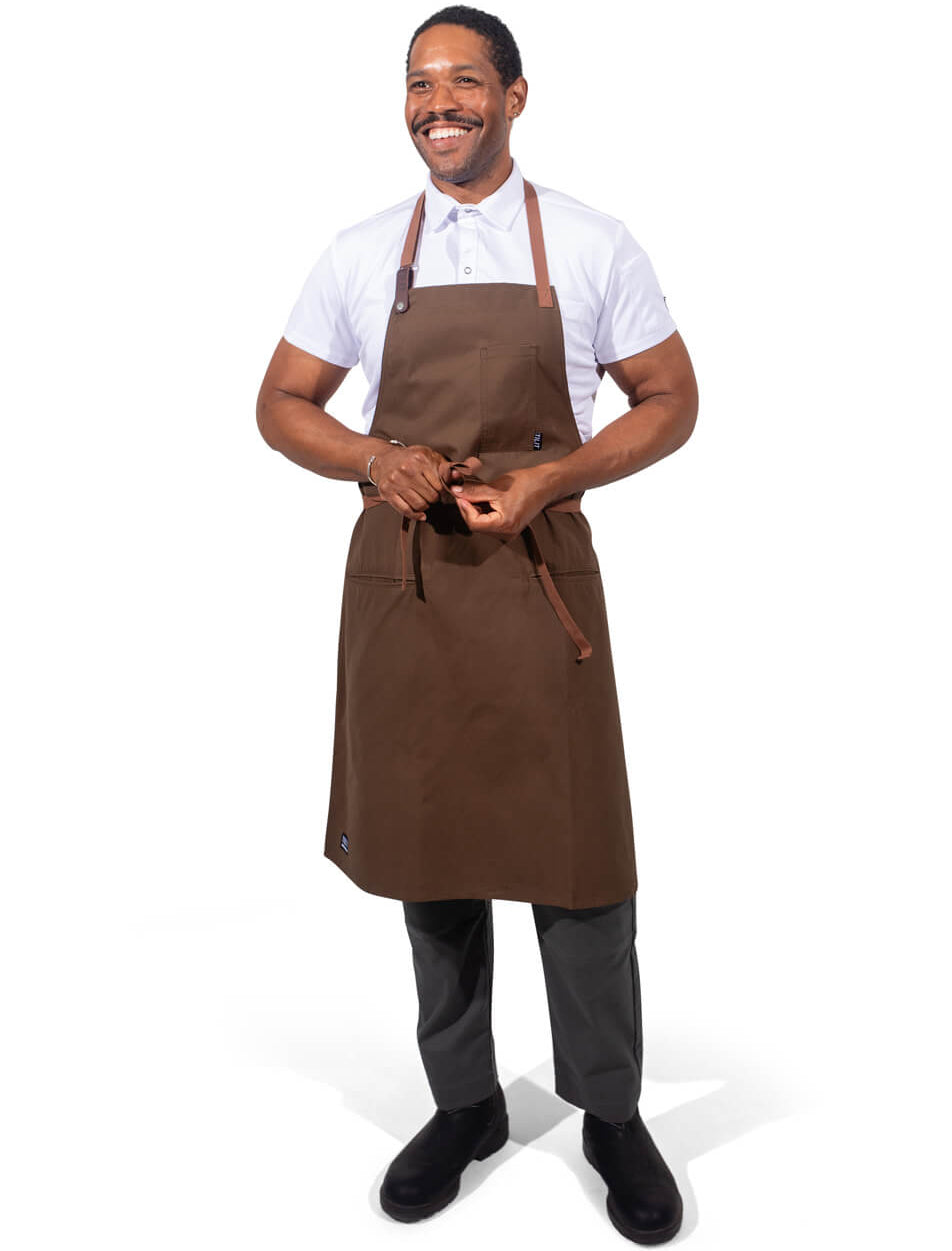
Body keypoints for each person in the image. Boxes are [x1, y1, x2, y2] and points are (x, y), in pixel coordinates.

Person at [256, 5, 698, 1243]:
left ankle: (610, 1111)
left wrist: (554, 478)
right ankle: (465, 1106)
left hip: (538, 580)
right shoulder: (358, 253)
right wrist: (366, 453)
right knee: (429, 857)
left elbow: (671, 397)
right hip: (408, 592)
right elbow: (282, 402)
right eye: (415, 83)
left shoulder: (594, 244)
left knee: (580, 865)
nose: (434, 102)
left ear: (514, 95)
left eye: (461, 80)